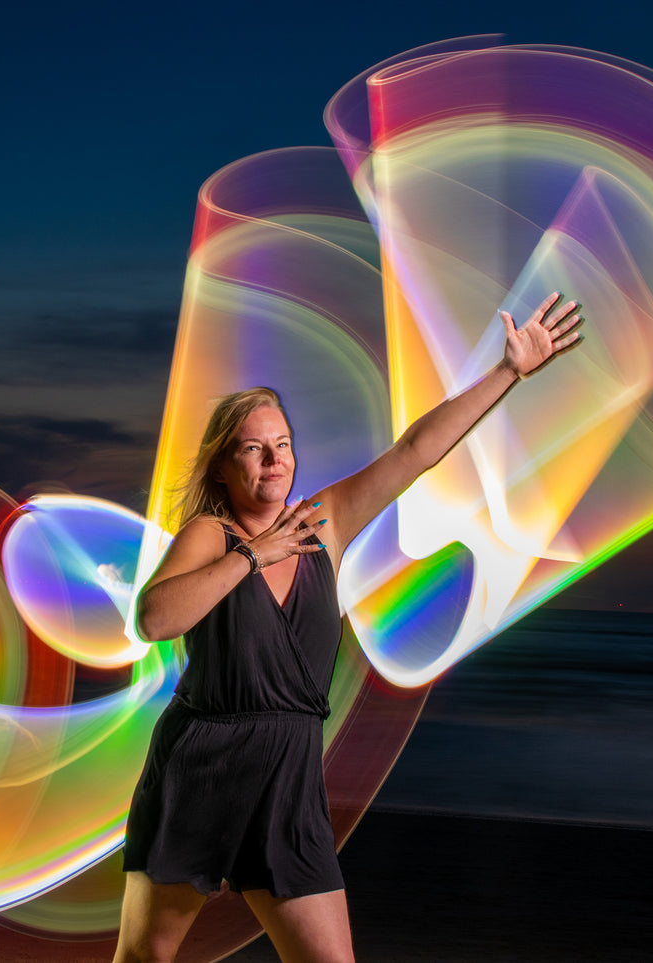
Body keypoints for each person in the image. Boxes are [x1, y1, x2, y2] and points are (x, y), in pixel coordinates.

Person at [113, 293, 584, 963]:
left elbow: (416, 450)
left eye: (282, 445)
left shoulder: (322, 522)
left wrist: (508, 372)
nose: (274, 460)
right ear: (223, 465)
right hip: (202, 774)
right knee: (143, 959)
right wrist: (254, 555)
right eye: (253, 449)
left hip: (288, 781)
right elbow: (155, 617)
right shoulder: (208, 534)